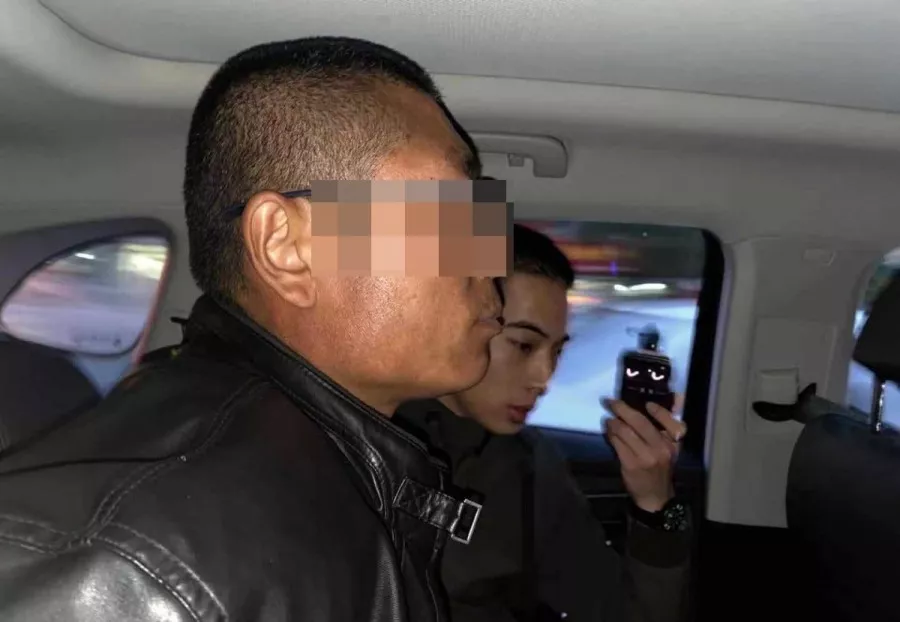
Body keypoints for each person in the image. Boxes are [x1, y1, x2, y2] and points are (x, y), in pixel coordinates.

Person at [0, 37, 505, 622]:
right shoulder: (139, 569)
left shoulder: (327, 467)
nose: (490, 263)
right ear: (287, 247)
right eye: (455, 213)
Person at [397, 224, 692, 622]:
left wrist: (655, 504)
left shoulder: (530, 465)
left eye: (556, 352)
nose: (544, 378)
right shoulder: (364, 426)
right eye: (524, 345)